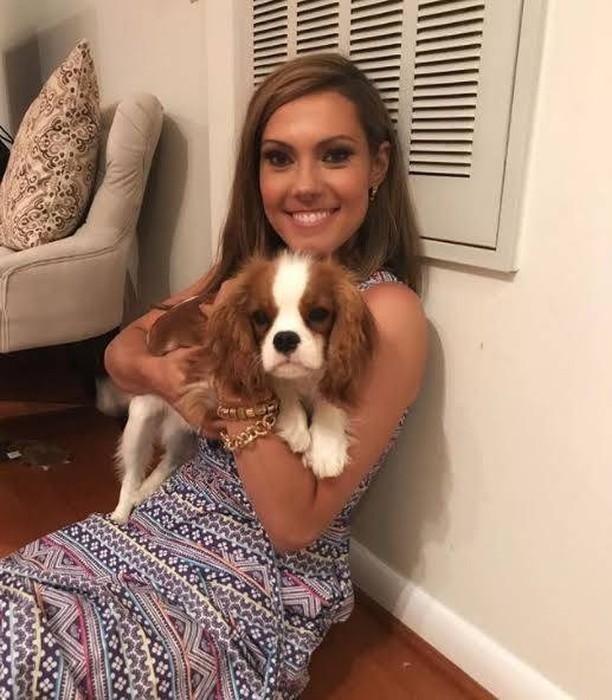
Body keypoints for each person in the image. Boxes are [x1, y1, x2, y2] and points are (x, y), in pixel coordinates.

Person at [0, 54, 427, 698]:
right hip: (157, 519)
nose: (304, 184)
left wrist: (230, 369)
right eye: (279, 158)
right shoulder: (245, 277)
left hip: (251, 582)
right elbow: (120, 353)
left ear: (378, 165)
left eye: (335, 155)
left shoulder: (386, 310)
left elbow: (292, 526)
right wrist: (168, 377)